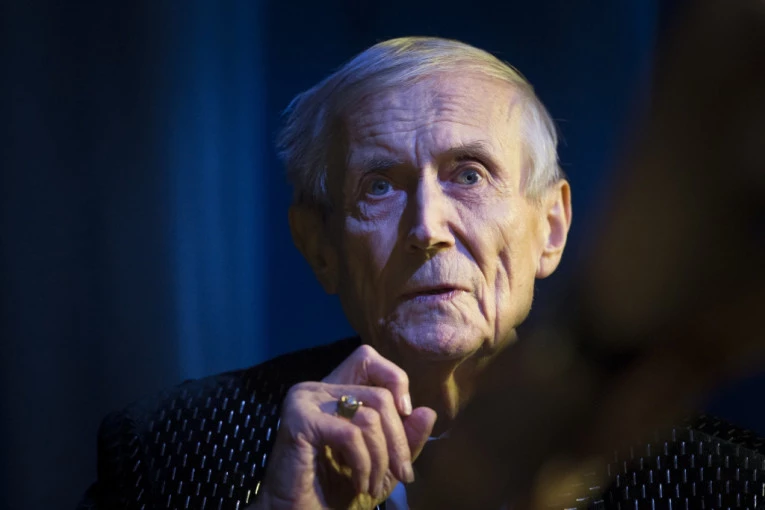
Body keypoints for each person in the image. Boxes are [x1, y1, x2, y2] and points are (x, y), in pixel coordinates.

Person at [77, 36, 572, 510]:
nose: (426, 228)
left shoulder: (621, 443)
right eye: (378, 186)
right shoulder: (170, 449)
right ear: (320, 248)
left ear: (550, 228)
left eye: (469, 175)